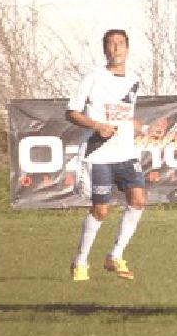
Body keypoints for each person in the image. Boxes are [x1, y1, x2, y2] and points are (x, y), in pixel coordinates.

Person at [67, 29, 163, 282]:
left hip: (126, 153)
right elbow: (72, 113)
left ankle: (115, 255)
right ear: (104, 49)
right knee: (101, 210)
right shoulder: (93, 78)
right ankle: (80, 261)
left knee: (139, 201)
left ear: (127, 49)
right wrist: (97, 126)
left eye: (120, 44)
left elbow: (123, 116)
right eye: (110, 44)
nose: (115, 49)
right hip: (99, 154)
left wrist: (145, 129)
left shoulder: (133, 79)